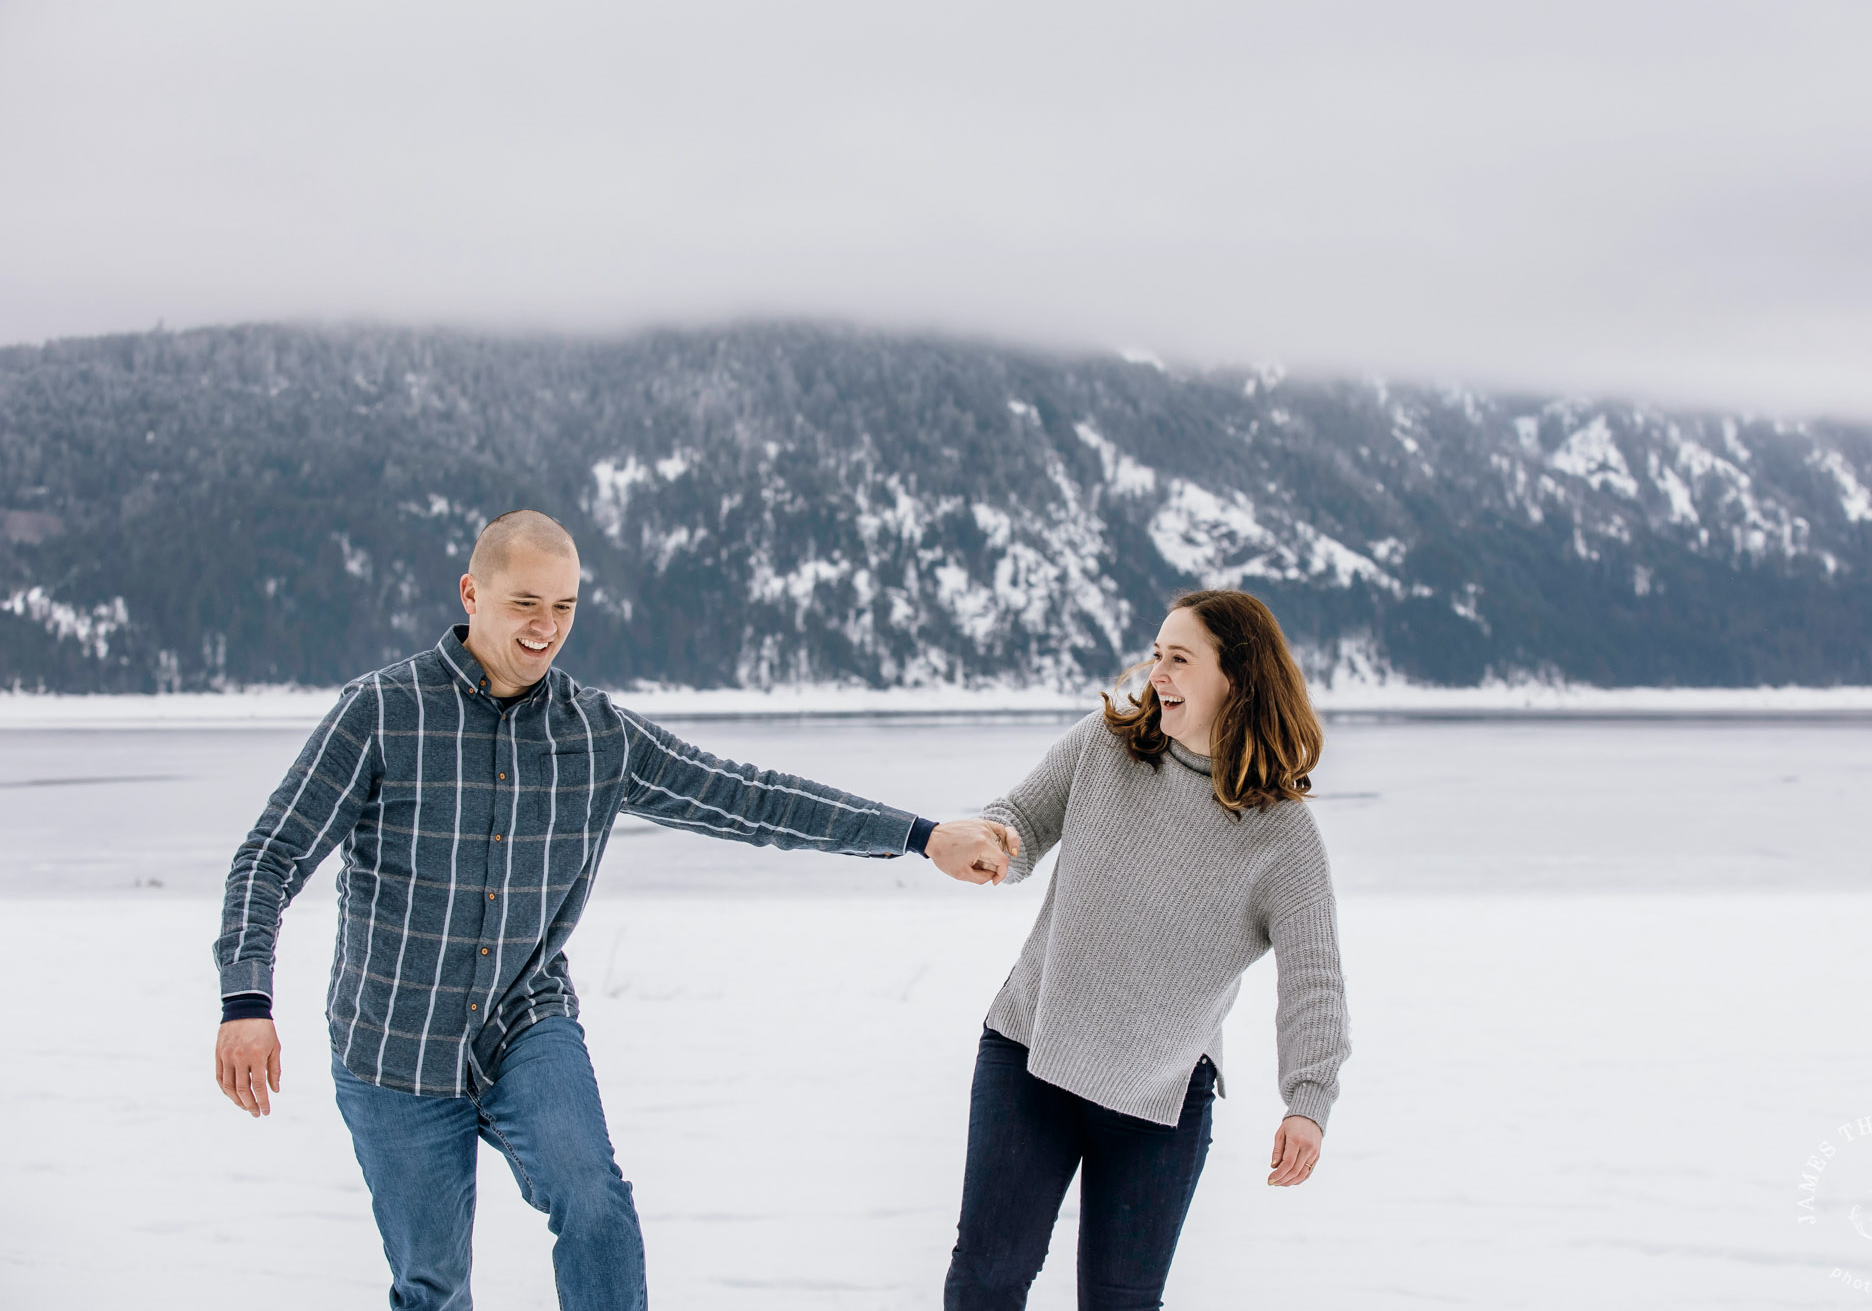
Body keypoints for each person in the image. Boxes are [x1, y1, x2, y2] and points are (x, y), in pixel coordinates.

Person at [212, 508, 1018, 1311]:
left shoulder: (595, 734)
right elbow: (270, 855)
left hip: (524, 1019)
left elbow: (748, 797)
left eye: (564, 606)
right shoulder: (382, 712)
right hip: (393, 1036)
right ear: (471, 592)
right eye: (526, 602)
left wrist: (919, 835)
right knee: (432, 1283)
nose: (546, 627)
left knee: (596, 1206)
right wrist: (247, 999)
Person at [940, 587, 1353, 1310]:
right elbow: (1023, 817)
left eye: (1180, 658)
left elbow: (1314, 980)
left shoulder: (1283, 837)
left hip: (1157, 1095)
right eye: (1157, 654)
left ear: (1237, 677)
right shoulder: (1106, 745)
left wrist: (1307, 1099)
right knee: (986, 1279)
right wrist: (998, 838)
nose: (1156, 673)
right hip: (1031, 1051)